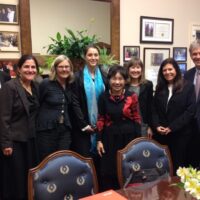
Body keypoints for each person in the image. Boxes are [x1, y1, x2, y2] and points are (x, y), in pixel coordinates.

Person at [0, 55, 39, 200]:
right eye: (26, 67)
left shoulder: (36, 87)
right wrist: (5, 143)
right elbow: (3, 117)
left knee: (30, 176)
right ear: (19, 69)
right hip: (15, 142)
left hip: (31, 140)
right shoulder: (10, 87)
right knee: (17, 179)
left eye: (33, 67)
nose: (30, 70)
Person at [97, 65, 141, 190]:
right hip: (109, 139)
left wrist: (138, 142)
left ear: (125, 80)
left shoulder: (131, 96)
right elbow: (101, 119)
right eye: (114, 79)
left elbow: (137, 118)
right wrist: (99, 140)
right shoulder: (103, 97)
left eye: (120, 79)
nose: (117, 82)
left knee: (127, 170)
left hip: (129, 138)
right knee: (108, 171)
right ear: (109, 80)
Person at [36, 55, 87, 161]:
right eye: (61, 66)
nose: (64, 69)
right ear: (55, 68)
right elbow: (37, 104)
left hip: (64, 130)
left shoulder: (70, 84)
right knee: (47, 161)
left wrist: (83, 124)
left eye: (67, 66)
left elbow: (74, 105)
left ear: (71, 69)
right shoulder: (46, 83)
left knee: (62, 160)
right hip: (46, 130)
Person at [152, 58, 196, 174]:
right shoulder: (159, 88)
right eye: (164, 70)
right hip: (161, 136)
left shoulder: (188, 87)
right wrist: (156, 125)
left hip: (180, 136)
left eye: (170, 69)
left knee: (178, 168)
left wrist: (172, 127)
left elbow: (190, 111)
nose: (167, 72)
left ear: (176, 69)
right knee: (161, 168)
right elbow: (154, 110)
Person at [70, 44, 107, 157]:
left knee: (101, 159)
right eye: (90, 55)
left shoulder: (105, 76)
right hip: (83, 126)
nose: (93, 58)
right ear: (85, 57)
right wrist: (84, 124)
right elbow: (74, 102)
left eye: (96, 55)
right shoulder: (77, 77)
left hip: (102, 126)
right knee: (85, 159)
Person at [126, 58, 153, 137]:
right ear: (128, 69)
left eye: (138, 67)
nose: (135, 70)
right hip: (127, 125)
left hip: (143, 125)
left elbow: (150, 107)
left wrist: (150, 127)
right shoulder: (124, 85)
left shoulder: (148, 85)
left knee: (142, 148)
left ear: (142, 69)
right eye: (133, 67)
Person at [184, 39, 200, 168]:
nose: (197, 56)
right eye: (194, 54)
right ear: (190, 56)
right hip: (190, 127)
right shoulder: (187, 75)